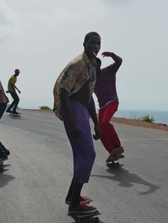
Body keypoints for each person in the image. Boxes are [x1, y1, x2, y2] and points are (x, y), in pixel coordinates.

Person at [53, 32, 101, 214]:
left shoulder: (91, 66)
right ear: (84, 44)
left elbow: (89, 97)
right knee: (87, 155)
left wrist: (96, 123)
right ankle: (74, 205)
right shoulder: (78, 64)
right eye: (92, 42)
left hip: (82, 111)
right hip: (73, 110)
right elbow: (63, 91)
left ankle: (71, 196)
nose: (95, 46)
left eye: (98, 43)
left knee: (83, 155)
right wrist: (71, 121)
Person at [93, 52, 124, 162]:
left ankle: (118, 145)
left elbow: (119, 61)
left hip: (112, 102)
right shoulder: (92, 81)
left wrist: (111, 54)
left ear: (98, 66)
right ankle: (112, 152)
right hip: (102, 107)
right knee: (100, 130)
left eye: (94, 66)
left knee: (104, 123)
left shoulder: (108, 71)